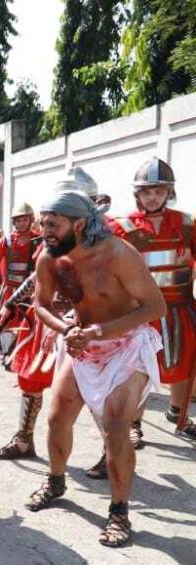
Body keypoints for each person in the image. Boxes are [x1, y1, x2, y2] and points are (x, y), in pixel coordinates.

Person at [24, 190, 166, 547]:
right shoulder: (49, 257)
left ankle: (119, 512)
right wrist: (67, 330)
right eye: (43, 223)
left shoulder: (119, 254)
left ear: (80, 224)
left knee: (116, 425)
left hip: (126, 345)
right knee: (57, 418)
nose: (45, 231)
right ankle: (56, 481)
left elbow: (155, 307)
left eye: (52, 224)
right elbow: (40, 305)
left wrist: (99, 332)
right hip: (81, 342)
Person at [108, 157, 195, 443]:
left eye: (159, 191)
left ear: (168, 192)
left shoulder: (186, 224)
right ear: (138, 194)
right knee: (139, 368)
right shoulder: (120, 226)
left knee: (184, 364)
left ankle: (179, 415)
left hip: (180, 308)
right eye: (147, 191)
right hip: (140, 313)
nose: (153, 197)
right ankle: (134, 422)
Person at [0, 202, 45, 460]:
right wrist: (11, 301)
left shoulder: (97, 247)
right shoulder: (46, 243)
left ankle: (111, 448)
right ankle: (24, 440)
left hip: (81, 326)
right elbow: (36, 278)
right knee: (30, 379)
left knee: (91, 389)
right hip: (43, 317)